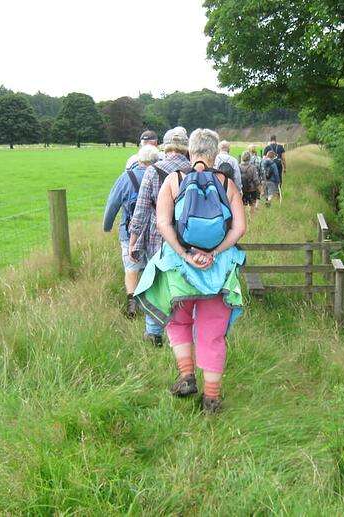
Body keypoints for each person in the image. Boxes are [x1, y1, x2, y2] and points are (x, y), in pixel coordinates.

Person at [134, 128, 246, 414]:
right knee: (212, 334)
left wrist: (185, 253)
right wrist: (214, 253)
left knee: (178, 321)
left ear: (191, 151)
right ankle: (211, 399)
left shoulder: (174, 180)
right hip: (218, 272)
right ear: (214, 152)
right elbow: (239, 228)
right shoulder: (228, 183)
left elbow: (163, 224)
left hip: (179, 269)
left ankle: (186, 377)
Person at [128, 127, 192, 346]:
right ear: (186, 147)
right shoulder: (196, 171)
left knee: (155, 286)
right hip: (189, 241)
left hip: (158, 240)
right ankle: (185, 335)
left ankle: (154, 333)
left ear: (165, 146)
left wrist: (134, 239)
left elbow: (141, 210)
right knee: (185, 285)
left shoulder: (153, 171)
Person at [103, 145, 160, 318]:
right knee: (154, 267)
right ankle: (154, 304)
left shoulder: (126, 178)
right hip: (155, 232)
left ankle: (132, 306)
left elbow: (113, 204)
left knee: (131, 268)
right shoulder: (161, 176)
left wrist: (107, 226)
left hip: (129, 232)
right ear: (156, 160)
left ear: (139, 159)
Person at [239, 151, 259, 219]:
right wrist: (260, 189)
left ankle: (244, 219)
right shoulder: (252, 167)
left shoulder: (238, 166)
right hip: (252, 189)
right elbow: (255, 180)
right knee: (252, 205)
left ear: (242, 158)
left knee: (243, 205)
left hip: (242, 189)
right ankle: (251, 218)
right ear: (249, 158)